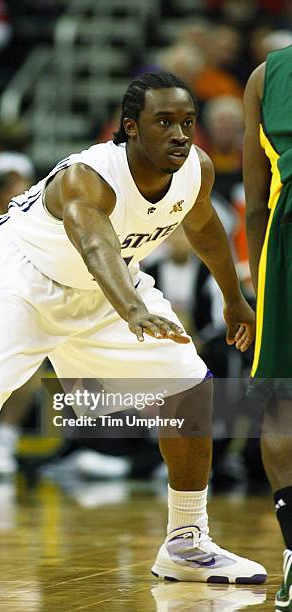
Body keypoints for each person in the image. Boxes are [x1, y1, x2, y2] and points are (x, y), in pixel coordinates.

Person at [0, 71, 266, 586]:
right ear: (129, 128)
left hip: (105, 285)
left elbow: (203, 226)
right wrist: (130, 307)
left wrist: (234, 298)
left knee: (190, 390)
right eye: (164, 122)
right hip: (22, 277)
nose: (180, 134)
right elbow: (94, 244)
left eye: (188, 123)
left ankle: (187, 542)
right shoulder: (86, 177)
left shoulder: (196, 170)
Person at [243, 46, 292, 611]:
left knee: (283, 405)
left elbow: (256, 204)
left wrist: (261, 291)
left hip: (284, 246)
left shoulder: (265, 76)